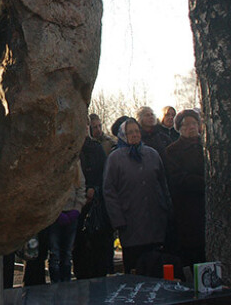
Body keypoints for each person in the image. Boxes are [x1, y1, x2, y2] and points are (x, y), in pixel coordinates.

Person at [103, 118, 171, 273]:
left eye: (136, 131)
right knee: (135, 268)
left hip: (154, 222)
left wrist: (166, 209)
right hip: (130, 223)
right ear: (123, 135)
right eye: (130, 132)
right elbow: (109, 191)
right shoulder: (115, 158)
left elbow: (162, 184)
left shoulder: (152, 154)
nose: (134, 135)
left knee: (155, 267)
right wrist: (118, 220)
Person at [164, 109, 205, 268]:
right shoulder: (172, 150)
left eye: (194, 123)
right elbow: (178, 179)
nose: (191, 127)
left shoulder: (207, 146)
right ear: (179, 128)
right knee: (191, 255)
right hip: (187, 210)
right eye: (186, 125)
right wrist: (205, 182)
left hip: (206, 208)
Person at [73, 126, 112, 279]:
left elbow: (105, 174)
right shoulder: (71, 147)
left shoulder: (96, 148)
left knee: (96, 249)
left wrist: (94, 189)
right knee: (79, 250)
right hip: (75, 203)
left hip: (95, 204)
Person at [47, 160, 86, 282]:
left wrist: (77, 209)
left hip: (72, 213)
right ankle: (55, 282)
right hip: (56, 216)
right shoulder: (52, 163)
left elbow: (81, 187)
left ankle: (66, 282)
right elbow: (48, 192)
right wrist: (55, 212)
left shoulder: (76, 163)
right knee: (54, 253)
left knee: (67, 254)